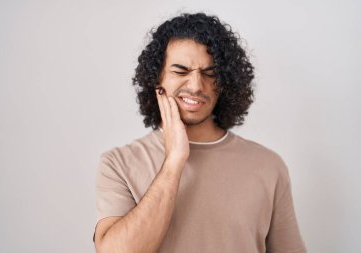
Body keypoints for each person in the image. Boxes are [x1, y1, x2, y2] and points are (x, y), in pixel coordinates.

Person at [93, 12, 307, 253]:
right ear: (157, 80)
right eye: (181, 71)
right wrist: (174, 162)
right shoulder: (119, 163)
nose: (196, 86)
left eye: (210, 74)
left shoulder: (269, 166)